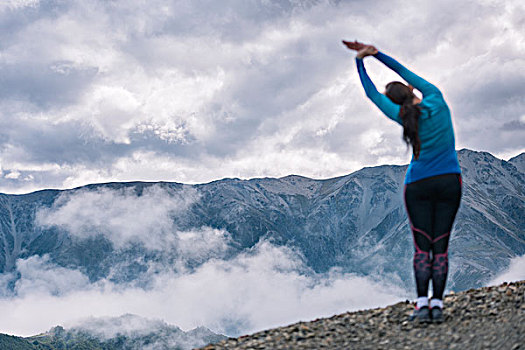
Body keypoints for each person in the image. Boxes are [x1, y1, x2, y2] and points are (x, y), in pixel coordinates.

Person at [342, 40, 462, 324]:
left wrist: (359, 62)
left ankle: (421, 306)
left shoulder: (401, 116)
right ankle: (438, 307)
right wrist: (376, 54)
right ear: (410, 90)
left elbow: (372, 94)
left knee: (422, 247)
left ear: (395, 102)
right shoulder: (436, 98)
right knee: (440, 247)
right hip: (449, 181)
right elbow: (406, 72)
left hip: (418, 185)